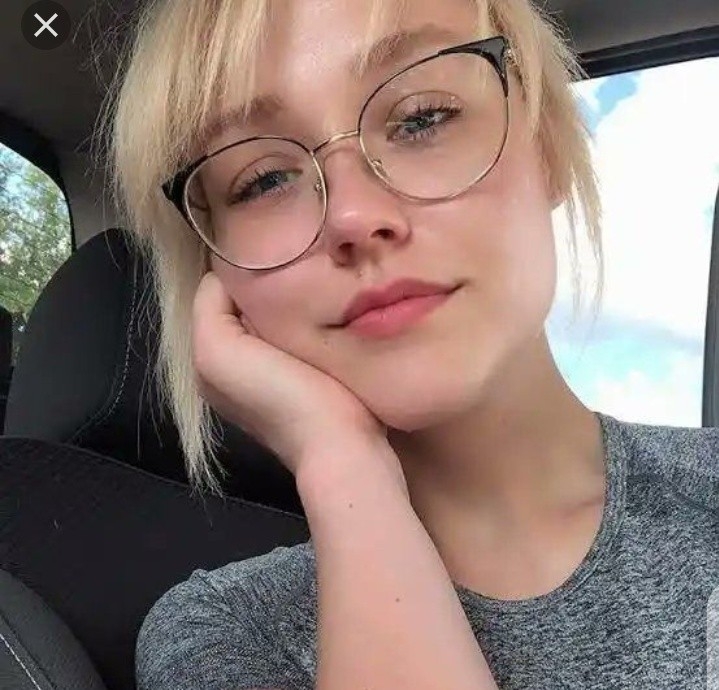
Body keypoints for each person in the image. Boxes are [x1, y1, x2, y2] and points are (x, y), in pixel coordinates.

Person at [103, 0, 719, 687]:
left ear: (545, 145)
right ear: (215, 274)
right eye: (263, 180)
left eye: (423, 117)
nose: (354, 216)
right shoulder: (229, 631)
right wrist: (341, 462)